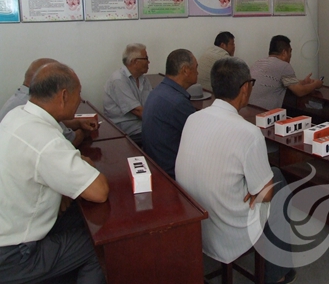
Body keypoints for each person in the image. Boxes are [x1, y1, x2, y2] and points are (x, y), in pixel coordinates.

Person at [175, 57, 295, 284]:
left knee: (268, 178)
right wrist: (257, 188)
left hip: (197, 221)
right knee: (277, 185)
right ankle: (277, 274)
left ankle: (279, 269)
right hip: (228, 229)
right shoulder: (249, 133)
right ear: (245, 88)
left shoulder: (193, 118)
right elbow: (266, 194)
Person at [0, 62, 109, 284]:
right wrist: (84, 162)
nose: (80, 100)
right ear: (64, 96)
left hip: (10, 229)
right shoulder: (44, 139)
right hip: (16, 254)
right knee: (101, 244)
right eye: (79, 94)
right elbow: (99, 191)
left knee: (80, 218)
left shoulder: (17, 115)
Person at [0, 58, 98, 147]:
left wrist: (77, 123)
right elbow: (69, 139)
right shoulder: (33, 105)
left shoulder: (19, 103)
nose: (80, 99)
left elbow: (50, 123)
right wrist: (84, 132)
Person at [142, 49, 198, 179]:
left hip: (156, 164)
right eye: (196, 67)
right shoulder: (177, 102)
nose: (198, 72)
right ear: (185, 70)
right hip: (171, 173)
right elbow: (203, 137)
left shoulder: (158, 91)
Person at [249, 35, 323, 110]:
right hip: (265, 113)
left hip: (249, 110)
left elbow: (282, 81)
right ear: (284, 52)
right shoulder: (283, 66)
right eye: (290, 51)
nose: (290, 55)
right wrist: (316, 84)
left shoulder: (258, 63)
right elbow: (300, 91)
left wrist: (303, 82)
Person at [103, 43, 152, 146]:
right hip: (125, 129)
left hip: (140, 125)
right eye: (146, 58)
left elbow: (151, 106)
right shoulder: (118, 80)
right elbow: (138, 111)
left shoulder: (143, 79)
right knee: (165, 134)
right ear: (134, 61)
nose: (149, 62)